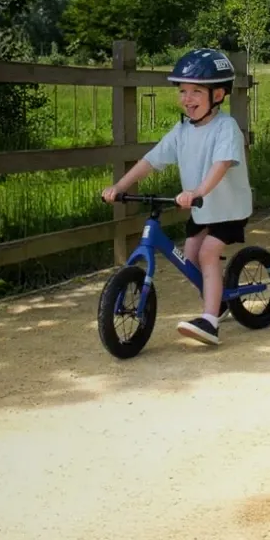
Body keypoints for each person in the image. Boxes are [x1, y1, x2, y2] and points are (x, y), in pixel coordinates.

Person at [99, 47, 253, 347]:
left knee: (208, 254)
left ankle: (209, 321)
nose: (187, 99)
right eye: (183, 91)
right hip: (202, 210)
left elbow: (220, 166)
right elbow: (150, 160)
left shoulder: (226, 128)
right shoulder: (182, 130)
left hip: (229, 208)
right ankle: (219, 301)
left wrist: (197, 192)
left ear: (218, 95)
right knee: (192, 253)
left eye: (196, 91)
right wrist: (120, 186)